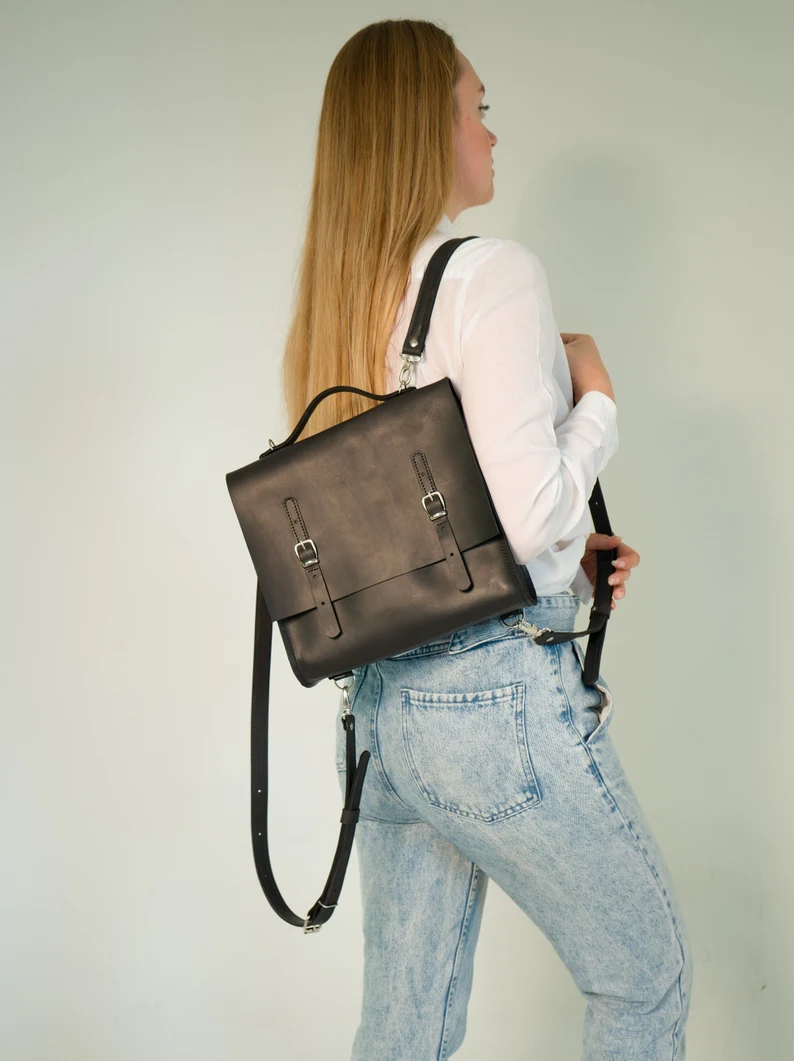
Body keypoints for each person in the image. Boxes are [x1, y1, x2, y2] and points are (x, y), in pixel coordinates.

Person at [282, 18, 693, 1061]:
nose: (493, 133)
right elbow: (532, 515)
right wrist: (596, 398)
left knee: (404, 1028)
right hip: (493, 705)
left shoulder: (344, 294)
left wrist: (565, 558)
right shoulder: (491, 272)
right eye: (478, 108)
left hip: (383, 714)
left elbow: (400, 520)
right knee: (645, 981)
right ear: (428, 127)